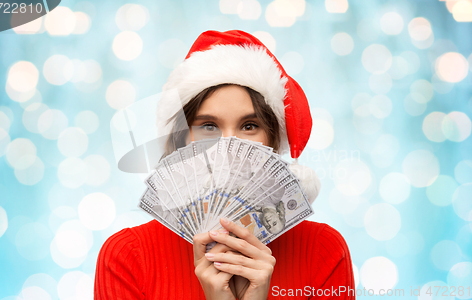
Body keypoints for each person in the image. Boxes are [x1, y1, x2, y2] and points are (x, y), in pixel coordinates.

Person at [95, 30, 355, 300]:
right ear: (182, 140)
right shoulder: (126, 256)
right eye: (209, 126)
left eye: (249, 126)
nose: (230, 148)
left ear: (273, 140)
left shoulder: (323, 250)